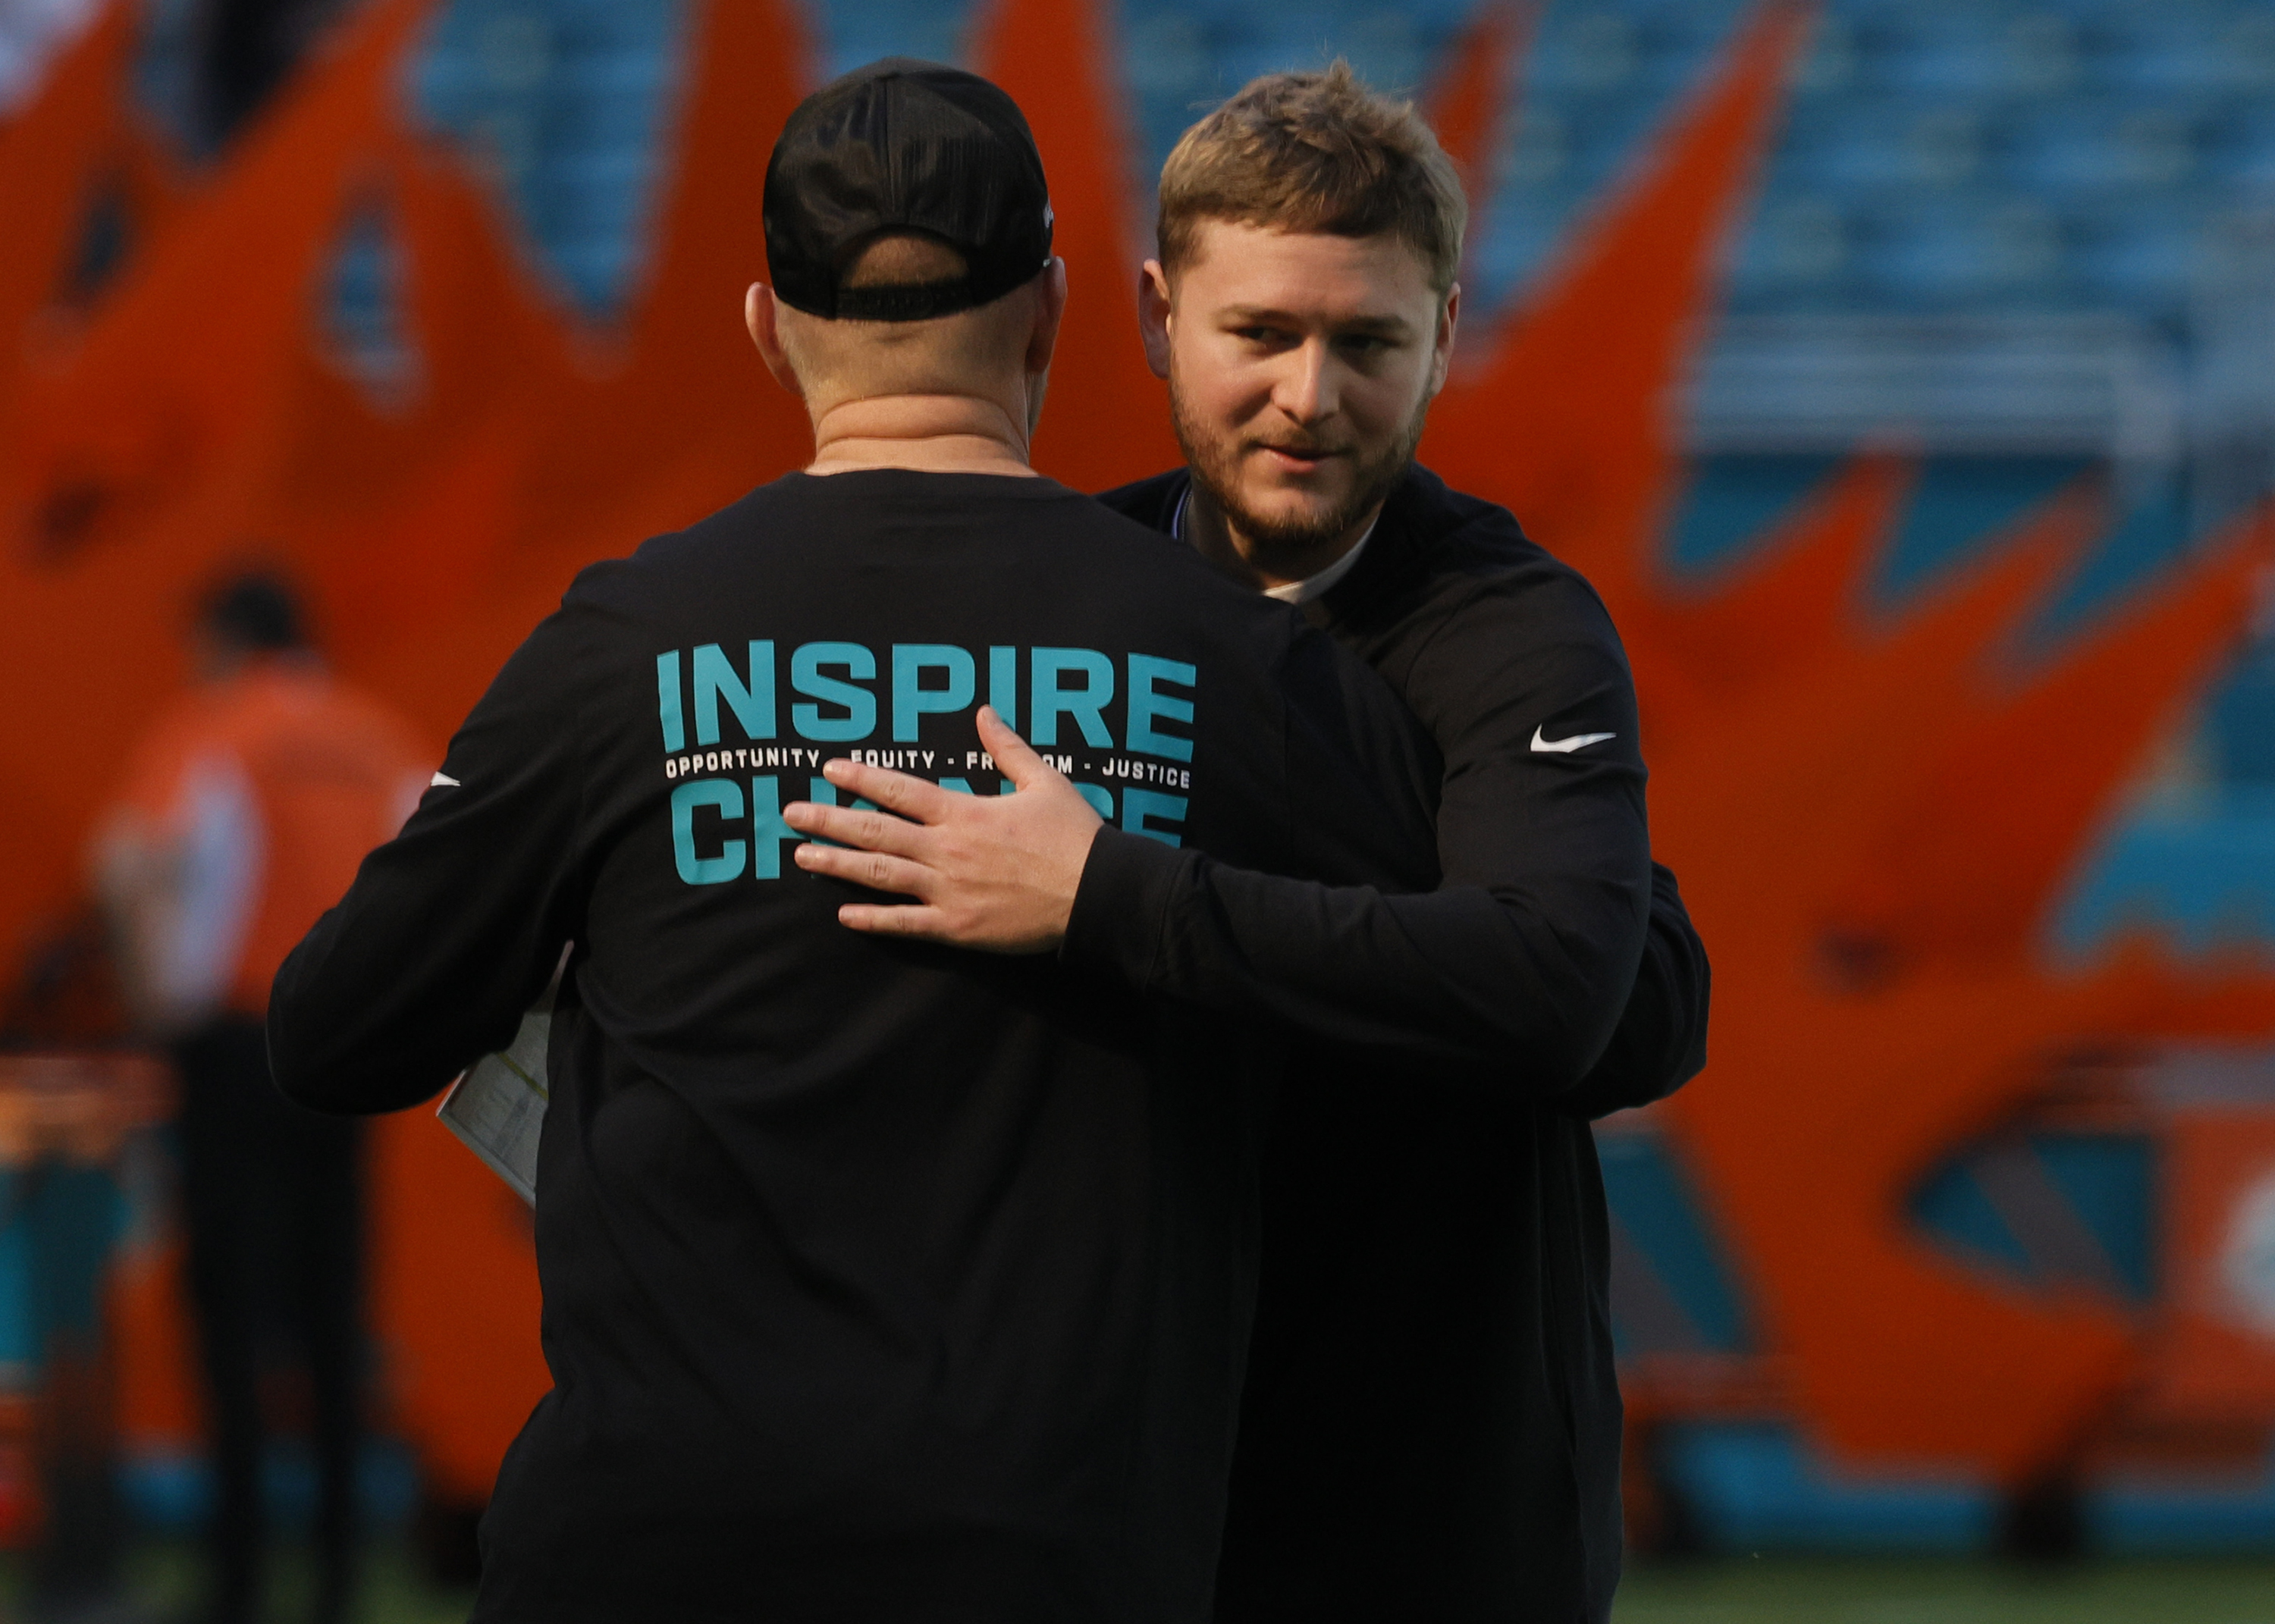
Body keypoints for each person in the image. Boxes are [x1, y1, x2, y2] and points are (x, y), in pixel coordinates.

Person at [267, 59, 1442, 1624]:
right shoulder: (1240, 655)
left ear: (766, 325)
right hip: (1062, 1556)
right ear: (1056, 311)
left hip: (649, 1557)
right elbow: (1465, 1001)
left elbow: (335, 1033)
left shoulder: (625, 645)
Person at [786, 64, 1710, 1623]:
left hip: (1432, 1512)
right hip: (1093, 1488)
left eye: (1367, 343)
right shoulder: (1046, 604)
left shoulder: (1514, 624)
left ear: (1447, 336)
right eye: (1261, 334)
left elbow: (1582, 986)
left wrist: (1107, 897)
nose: (1309, 394)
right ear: (1155, 313)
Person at [93, 569, 428, 1624]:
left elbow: (126, 862)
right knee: (335, 1313)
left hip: (236, 1045)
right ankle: (335, 1577)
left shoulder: (215, 725)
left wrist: (153, 1006)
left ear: (226, 639)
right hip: (353, 1046)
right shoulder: (373, 733)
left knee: (231, 1318)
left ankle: (237, 1582)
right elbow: (437, 870)